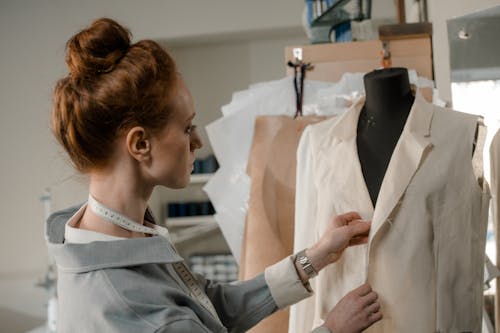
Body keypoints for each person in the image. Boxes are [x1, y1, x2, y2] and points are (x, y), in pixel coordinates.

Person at [48, 18, 382, 333]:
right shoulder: (134, 303)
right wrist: (332, 328)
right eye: (186, 127)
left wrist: (314, 257)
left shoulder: (103, 239)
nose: (197, 141)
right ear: (140, 143)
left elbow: (208, 306)